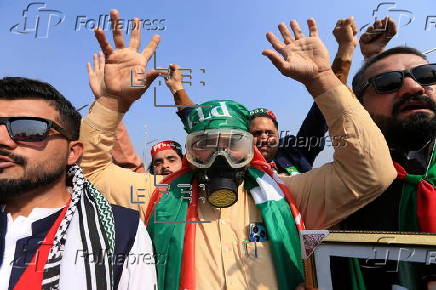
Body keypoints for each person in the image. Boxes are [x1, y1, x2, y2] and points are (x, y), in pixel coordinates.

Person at [79, 9, 396, 289]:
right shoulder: (156, 196)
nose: (221, 157)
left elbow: (372, 173)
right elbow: (87, 173)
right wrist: (112, 101)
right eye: (205, 145)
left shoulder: (292, 196)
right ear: (189, 153)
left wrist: (324, 81)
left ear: (251, 148)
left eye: (233, 143)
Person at [0, 77, 156, 289]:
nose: (3, 140)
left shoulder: (123, 231)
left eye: (28, 130)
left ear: (72, 153)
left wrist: (111, 102)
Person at [171, 17, 359, 175]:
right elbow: (199, 119)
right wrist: (178, 88)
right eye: (256, 133)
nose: (264, 138)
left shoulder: (296, 151)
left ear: (278, 134)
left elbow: (324, 105)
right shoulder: (232, 165)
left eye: (269, 132)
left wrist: (345, 49)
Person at [329, 19, 436, 289]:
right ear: (359, 108)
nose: (414, 87)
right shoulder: (355, 181)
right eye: (387, 83)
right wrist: (354, 54)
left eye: (426, 75)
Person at [87, 51, 145, 173]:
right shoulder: (149, 188)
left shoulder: (191, 187)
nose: (165, 166)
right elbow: (132, 170)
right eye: (158, 162)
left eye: (172, 159)